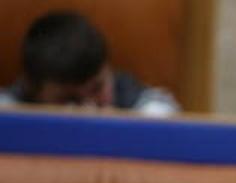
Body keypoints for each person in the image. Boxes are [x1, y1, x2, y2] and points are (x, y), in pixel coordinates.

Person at [0, 10, 179, 115]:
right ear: (32, 90)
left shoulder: (133, 97)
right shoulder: (11, 105)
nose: (89, 108)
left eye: (97, 89)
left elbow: (163, 115)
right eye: (69, 99)